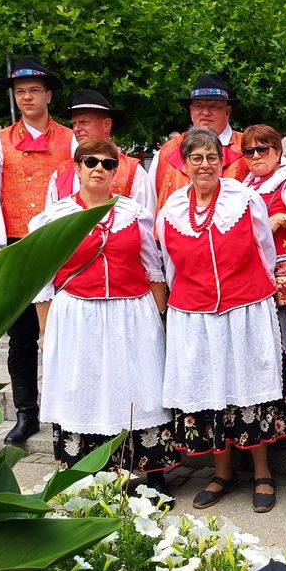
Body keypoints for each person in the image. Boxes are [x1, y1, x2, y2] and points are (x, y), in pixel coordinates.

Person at [156, 127, 286, 513]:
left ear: (222, 161)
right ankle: (222, 473)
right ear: (184, 165)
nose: (205, 165)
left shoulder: (246, 200)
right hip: (195, 315)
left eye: (212, 157)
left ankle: (263, 472)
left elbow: (265, 252)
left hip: (245, 308)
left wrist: (255, 296)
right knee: (210, 391)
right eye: (196, 158)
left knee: (252, 386)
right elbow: (168, 266)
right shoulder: (171, 210)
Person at [29, 139, 177, 488]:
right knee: (86, 388)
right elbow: (43, 282)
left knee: (139, 387)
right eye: (91, 161)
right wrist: (45, 332)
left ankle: (151, 474)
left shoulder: (135, 214)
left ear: (116, 172)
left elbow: (153, 268)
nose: (99, 168)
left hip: (132, 313)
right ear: (77, 168)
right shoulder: (54, 218)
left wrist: (161, 318)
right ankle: (88, 475)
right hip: (77, 315)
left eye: (108, 164)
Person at [0, 56, 76, 445]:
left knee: (66, 333)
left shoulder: (71, 140)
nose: (27, 97)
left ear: (48, 95)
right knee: (21, 337)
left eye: (34, 91)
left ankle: (67, 411)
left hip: (62, 247)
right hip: (17, 247)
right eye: (20, 92)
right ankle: (26, 413)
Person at [239, 125, 286, 375]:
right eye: (249, 152)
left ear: (278, 151)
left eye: (263, 149)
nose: (256, 156)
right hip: (260, 275)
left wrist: (282, 219)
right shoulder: (246, 186)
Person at [146, 74, 250, 215]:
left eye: (214, 106)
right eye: (199, 106)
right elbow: (149, 207)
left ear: (227, 112)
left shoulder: (250, 147)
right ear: (191, 111)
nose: (205, 112)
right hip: (171, 235)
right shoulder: (166, 152)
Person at [45, 89, 152, 208]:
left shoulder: (133, 171)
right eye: (74, 124)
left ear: (106, 124)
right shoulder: (61, 172)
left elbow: (146, 220)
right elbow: (50, 221)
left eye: (84, 122)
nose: (76, 129)